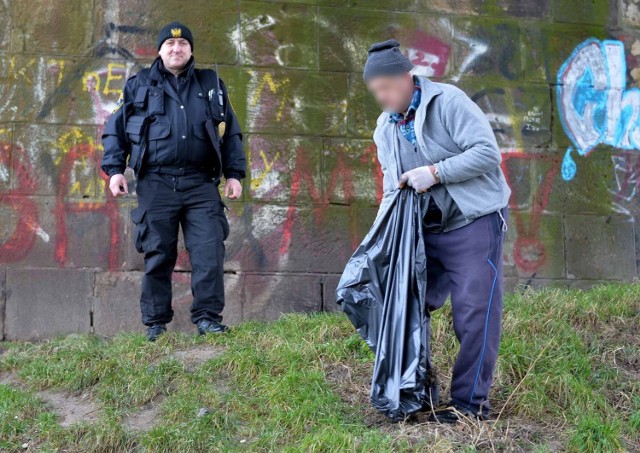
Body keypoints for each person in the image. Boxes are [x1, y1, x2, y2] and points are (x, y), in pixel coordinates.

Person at [363, 39, 511, 423]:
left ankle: (469, 405)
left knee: (473, 312)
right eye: (374, 90)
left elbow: (487, 153)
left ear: (406, 77)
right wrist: (379, 240)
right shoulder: (385, 127)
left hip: (473, 222)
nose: (381, 97)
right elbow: (390, 188)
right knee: (405, 306)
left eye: (386, 88)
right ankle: (418, 395)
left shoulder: (448, 101)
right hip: (423, 232)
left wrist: (435, 173)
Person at [101, 22, 245, 341]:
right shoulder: (139, 85)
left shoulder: (211, 84)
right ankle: (155, 324)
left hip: (200, 184)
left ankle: (208, 319)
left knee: (209, 251)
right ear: (159, 50)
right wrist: (114, 171)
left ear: (191, 50)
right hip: (156, 182)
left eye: (182, 45)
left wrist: (234, 174)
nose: (176, 49)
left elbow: (231, 132)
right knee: (158, 253)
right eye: (169, 44)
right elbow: (115, 131)